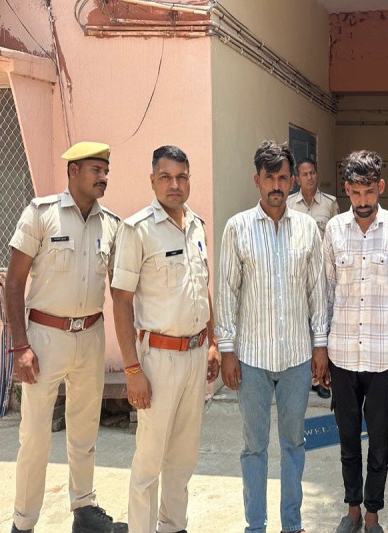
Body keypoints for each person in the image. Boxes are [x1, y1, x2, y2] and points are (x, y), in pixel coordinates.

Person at [5, 142, 127, 533]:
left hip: (90, 335)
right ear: (73, 171)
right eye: (96, 170)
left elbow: (121, 290)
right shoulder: (41, 214)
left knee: (84, 429)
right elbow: (13, 282)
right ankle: (23, 523)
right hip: (45, 338)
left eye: (106, 171)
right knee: (35, 436)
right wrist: (20, 346)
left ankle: (84, 511)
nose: (103, 177)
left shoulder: (111, 224)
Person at [216, 140, 328, 533]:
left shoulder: (307, 229)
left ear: (292, 179)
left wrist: (320, 345)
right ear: (257, 180)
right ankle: (256, 525)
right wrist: (227, 350)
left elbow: (317, 291)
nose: (277, 185)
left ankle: (292, 524)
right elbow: (227, 292)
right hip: (252, 359)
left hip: (297, 357)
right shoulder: (238, 228)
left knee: (294, 444)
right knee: (254, 447)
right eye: (270, 178)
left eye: (283, 177)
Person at [111, 145, 219, 533]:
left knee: (183, 457)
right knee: (149, 460)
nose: (175, 184)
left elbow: (202, 288)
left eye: (182, 177)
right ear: (152, 180)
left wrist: (212, 342)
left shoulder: (196, 225)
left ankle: (173, 526)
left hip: (194, 356)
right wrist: (132, 370)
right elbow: (121, 301)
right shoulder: (137, 229)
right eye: (166, 177)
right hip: (157, 359)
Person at [323, 150, 388, 533]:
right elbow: (325, 294)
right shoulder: (333, 230)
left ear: (380, 187)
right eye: (356, 192)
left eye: (369, 192)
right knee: (348, 440)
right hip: (342, 355)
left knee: (379, 442)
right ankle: (353, 511)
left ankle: (373, 514)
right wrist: (320, 350)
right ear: (347, 189)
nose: (363, 201)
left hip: (381, 358)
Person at [288, 157, 339, 399]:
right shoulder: (289, 204)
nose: (309, 177)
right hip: (298, 275)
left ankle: (322, 379)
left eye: (312, 173)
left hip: (323, 276)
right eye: (304, 174)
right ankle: (304, 377)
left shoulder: (330, 204)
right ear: (296, 179)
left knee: (322, 326)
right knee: (300, 326)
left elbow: (336, 239)